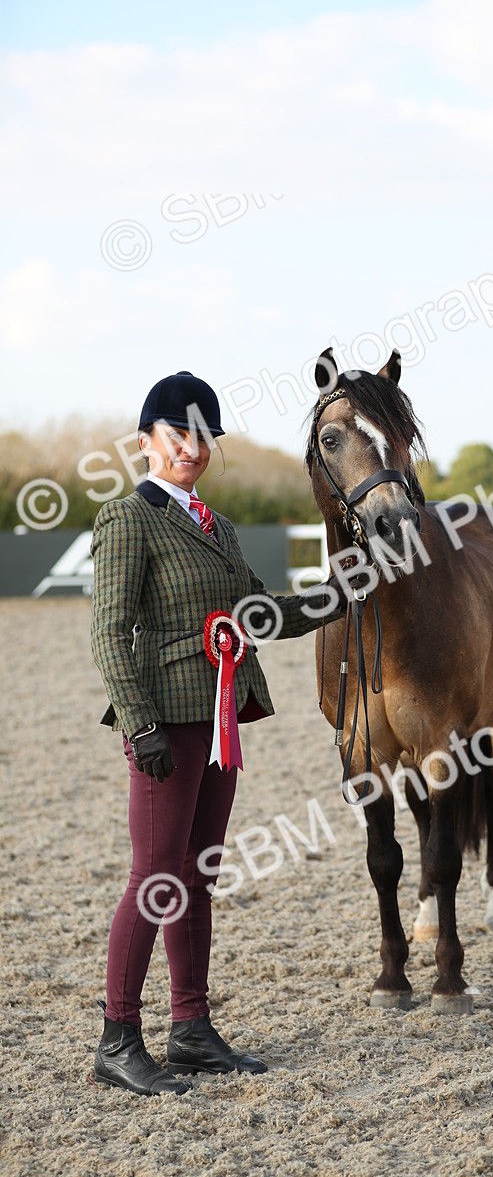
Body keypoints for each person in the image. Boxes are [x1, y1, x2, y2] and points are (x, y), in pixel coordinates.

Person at [89, 371, 344, 1096]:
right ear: (146, 441)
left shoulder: (219, 528)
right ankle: (117, 1038)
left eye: (204, 437)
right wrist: (138, 726)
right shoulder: (127, 519)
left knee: (198, 874)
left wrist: (338, 595)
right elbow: (108, 635)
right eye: (178, 435)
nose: (192, 449)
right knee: (154, 877)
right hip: (163, 722)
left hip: (220, 721)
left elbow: (259, 612)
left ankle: (191, 1029)